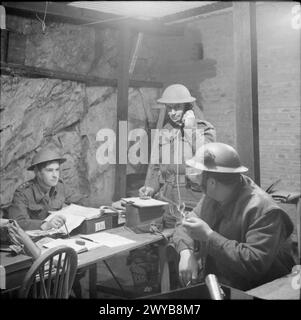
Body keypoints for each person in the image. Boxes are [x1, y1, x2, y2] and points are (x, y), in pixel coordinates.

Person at [172, 142, 296, 291]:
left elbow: (254, 262)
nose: (198, 183)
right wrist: (186, 252)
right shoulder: (212, 197)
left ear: (212, 182)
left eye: (200, 177)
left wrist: (208, 236)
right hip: (224, 284)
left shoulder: (264, 210)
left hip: (259, 290)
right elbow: (185, 226)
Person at [139, 84, 216, 227]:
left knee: (190, 244)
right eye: (169, 108)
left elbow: (207, 158)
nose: (172, 112)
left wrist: (190, 129)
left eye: (177, 107)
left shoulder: (204, 130)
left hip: (194, 204)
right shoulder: (165, 132)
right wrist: (150, 187)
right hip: (167, 202)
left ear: (188, 107)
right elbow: (157, 167)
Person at [9, 146, 67, 231]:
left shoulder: (60, 186)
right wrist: (45, 224)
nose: (55, 175)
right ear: (37, 172)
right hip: (32, 239)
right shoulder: (23, 193)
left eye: (57, 170)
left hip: (56, 236)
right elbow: (17, 222)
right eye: (50, 170)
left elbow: (75, 201)